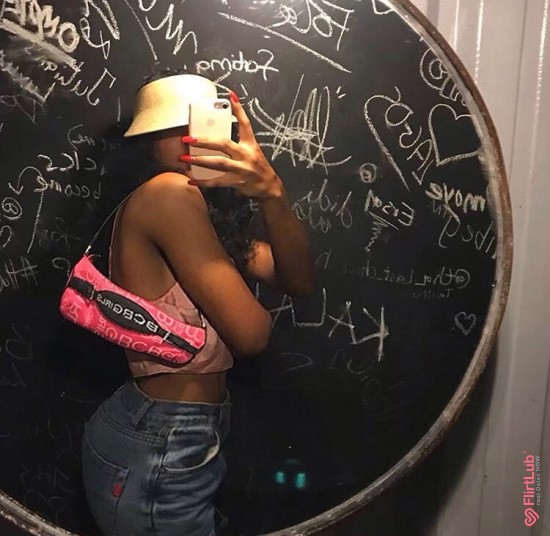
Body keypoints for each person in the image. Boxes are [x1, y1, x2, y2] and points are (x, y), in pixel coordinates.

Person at [80, 71, 314, 536]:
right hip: (163, 439)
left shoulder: (205, 211)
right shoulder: (169, 194)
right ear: (147, 142)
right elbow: (252, 335)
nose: (189, 137)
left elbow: (299, 280)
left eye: (200, 122)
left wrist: (272, 192)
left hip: (165, 433)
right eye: (171, 127)